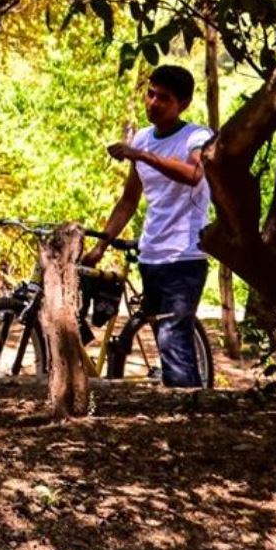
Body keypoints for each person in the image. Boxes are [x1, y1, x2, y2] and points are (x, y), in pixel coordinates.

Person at [82, 64, 214, 388]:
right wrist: (101, 245)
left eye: (164, 98)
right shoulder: (143, 137)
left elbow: (194, 173)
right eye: (150, 94)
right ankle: (182, 404)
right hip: (151, 254)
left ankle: (189, 413)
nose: (153, 103)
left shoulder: (196, 136)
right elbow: (129, 200)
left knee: (173, 337)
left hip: (185, 256)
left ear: (182, 104)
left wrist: (141, 154)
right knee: (166, 340)